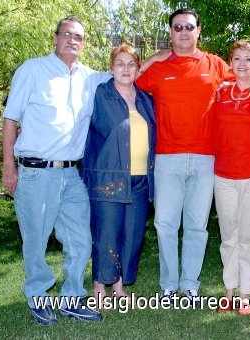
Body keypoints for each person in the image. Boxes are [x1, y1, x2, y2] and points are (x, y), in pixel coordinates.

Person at [1, 16, 111, 325]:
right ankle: (38, 297)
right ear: (55, 37)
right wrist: (8, 166)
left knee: (79, 239)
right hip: (35, 174)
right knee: (35, 242)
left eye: (78, 37)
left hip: (71, 175)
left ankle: (72, 299)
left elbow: (127, 70)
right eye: (66, 34)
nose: (72, 40)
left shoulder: (90, 77)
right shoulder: (32, 70)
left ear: (84, 43)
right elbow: (10, 119)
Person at [135, 8, 233, 304]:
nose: (184, 32)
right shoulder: (159, 68)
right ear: (170, 32)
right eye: (177, 27)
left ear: (198, 31)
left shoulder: (215, 65)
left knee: (196, 226)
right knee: (165, 224)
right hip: (167, 158)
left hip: (206, 159)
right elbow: (129, 75)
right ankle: (168, 284)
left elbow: (241, 86)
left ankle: (190, 282)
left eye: (189, 27)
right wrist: (155, 57)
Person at [80, 44, 155, 307]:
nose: (125, 69)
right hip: (108, 176)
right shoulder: (100, 94)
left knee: (132, 235)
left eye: (131, 64)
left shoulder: (145, 99)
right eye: (120, 63)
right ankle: (100, 285)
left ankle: (119, 286)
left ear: (137, 68)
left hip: (140, 180)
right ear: (111, 68)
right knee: (106, 233)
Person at [214, 40, 250, 315]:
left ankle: (245, 295)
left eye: (249, 59)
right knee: (229, 234)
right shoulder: (221, 93)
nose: (243, 64)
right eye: (238, 58)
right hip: (223, 174)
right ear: (231, 63)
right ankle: (228, 291)